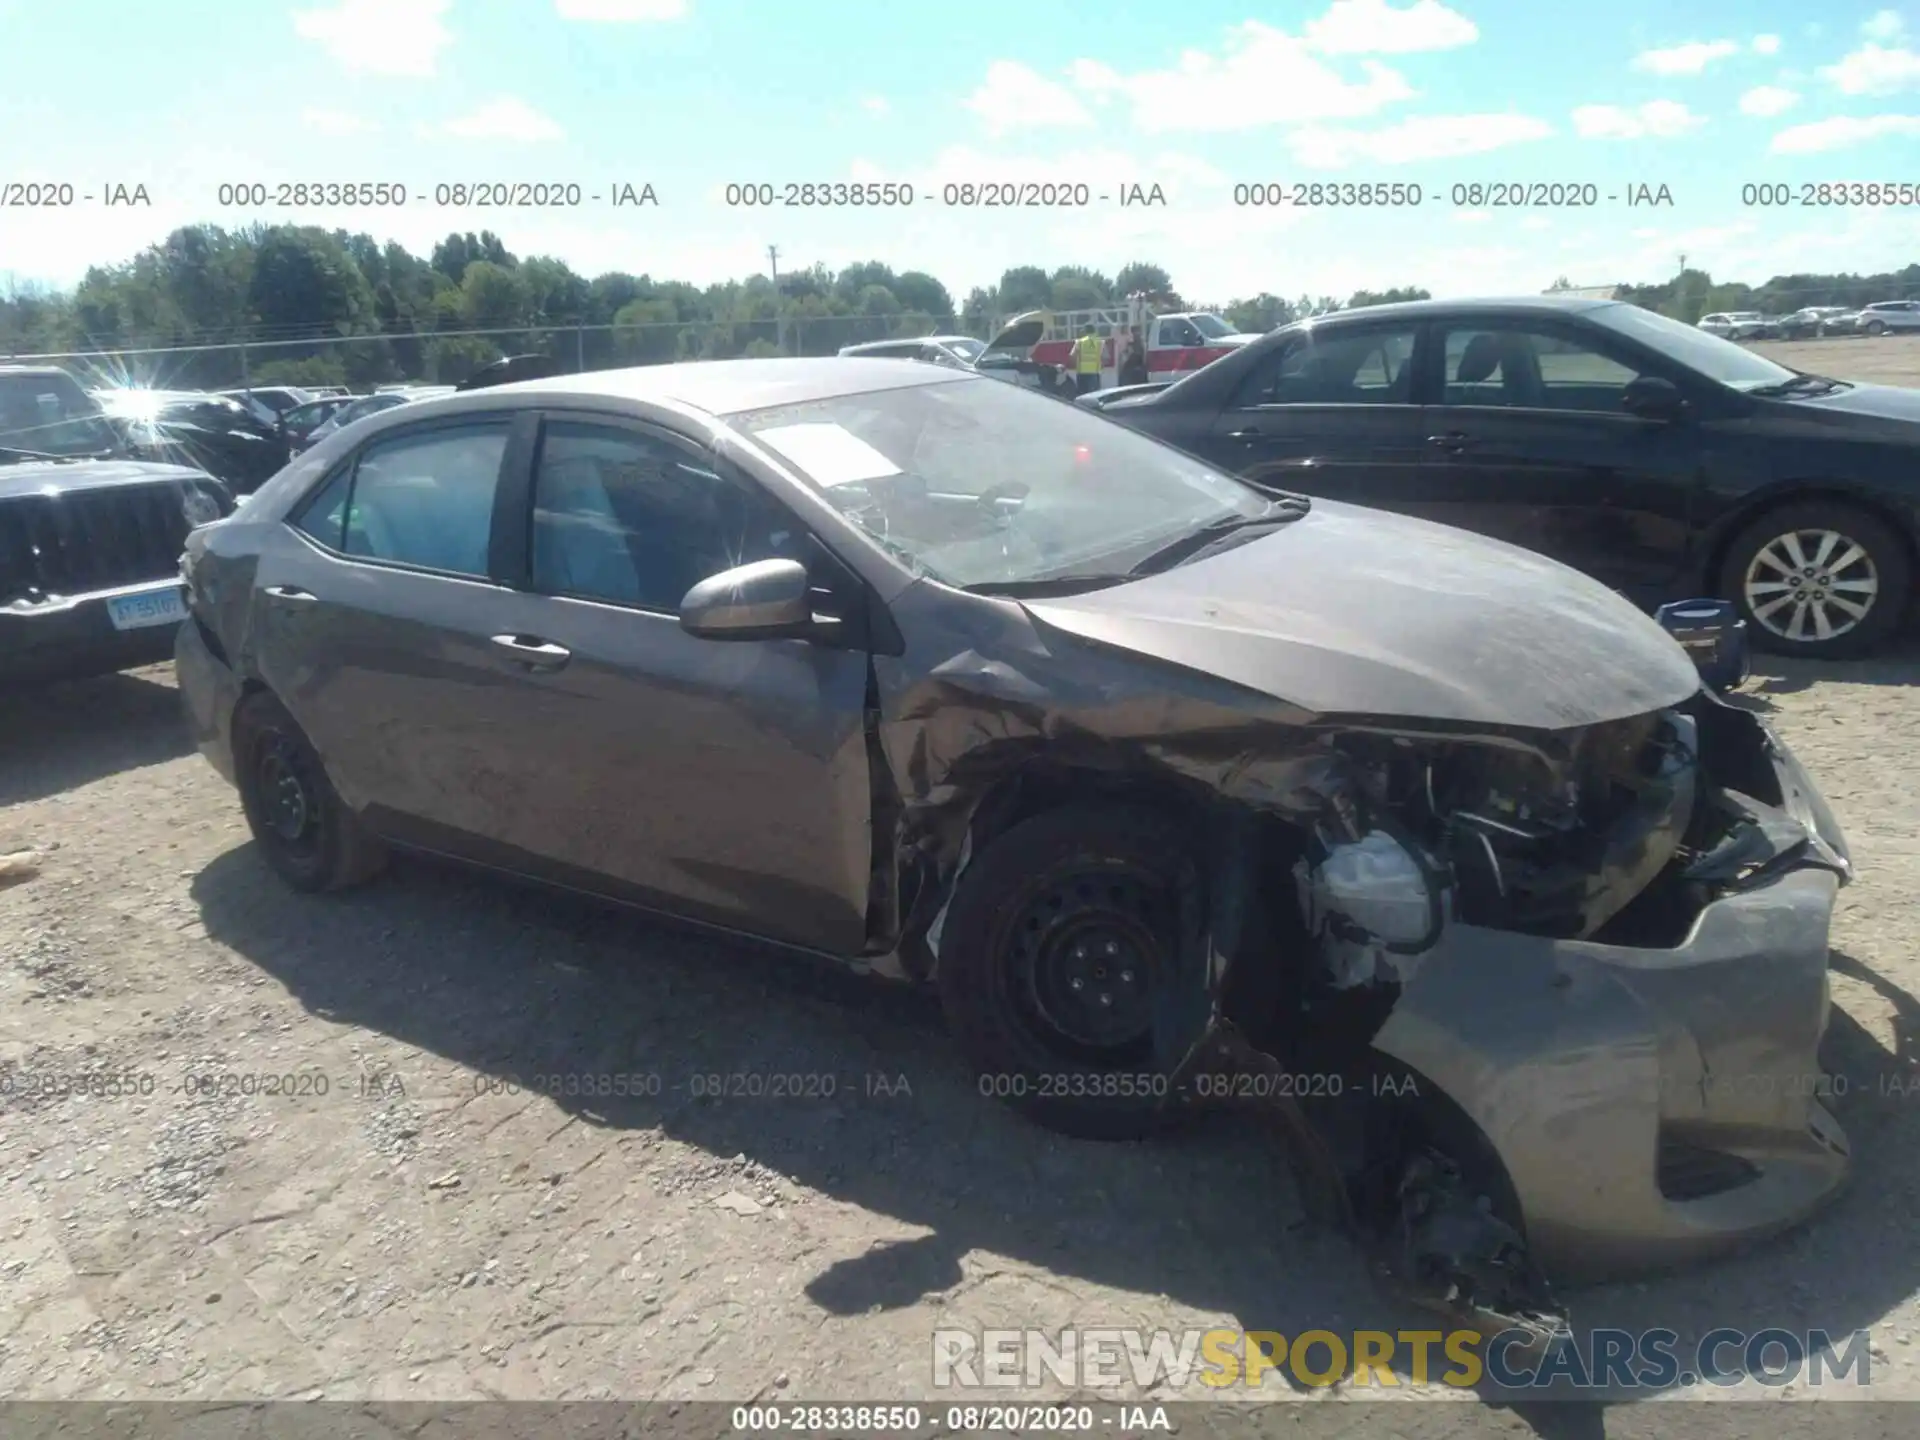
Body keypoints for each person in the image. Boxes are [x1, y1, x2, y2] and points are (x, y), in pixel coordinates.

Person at [1074, 326, 1103, 395]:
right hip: (1094, 372)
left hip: (1082, 371)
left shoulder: (1079, 342)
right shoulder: (1099, 342)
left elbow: (1072, 356)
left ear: (1085, 332)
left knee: (1082, 394)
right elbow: (1106, 356)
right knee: (1094, 394)